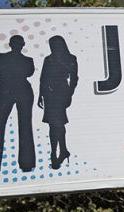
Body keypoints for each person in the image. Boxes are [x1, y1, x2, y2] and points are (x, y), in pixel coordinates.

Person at [0, 35, 35, 176]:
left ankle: (26, 164)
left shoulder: (26, 60)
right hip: (8, 91)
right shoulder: (3, 57)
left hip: (20, 91)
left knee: (24, 126)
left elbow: (29, 72)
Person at [38, 35, 78, 170]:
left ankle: (57, 153)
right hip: (49, 94)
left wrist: (70, 93)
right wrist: (41, 95)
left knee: (57, 123)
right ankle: (60, 151)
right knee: (53, 124)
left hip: (61, 92)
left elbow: (74, 78)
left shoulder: (70, 58)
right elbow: (42, 78)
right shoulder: (48, 59)